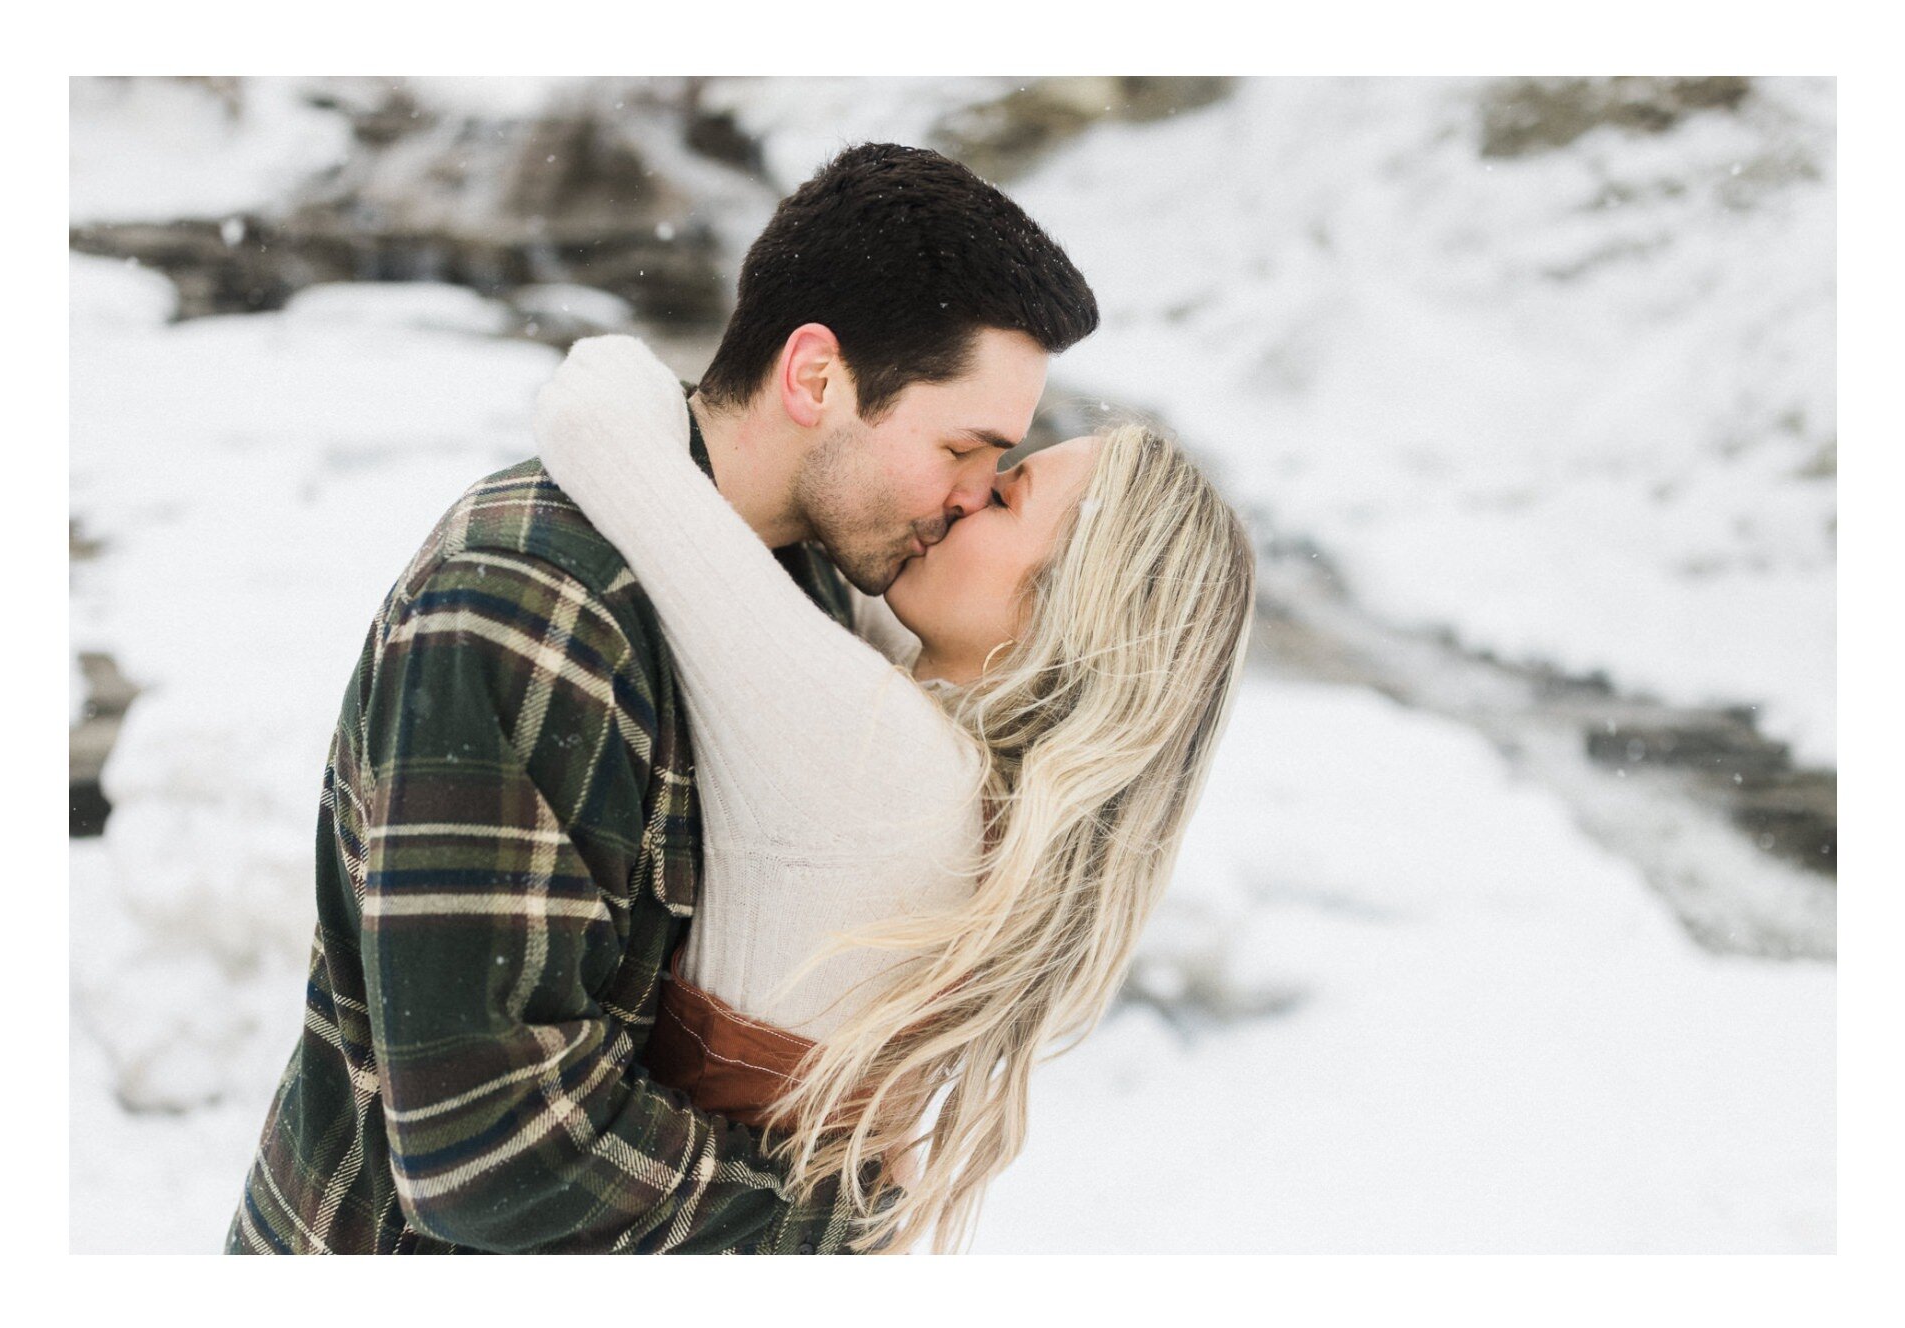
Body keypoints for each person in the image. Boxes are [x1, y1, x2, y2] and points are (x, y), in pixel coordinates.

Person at [225, 142, 1099, 1255]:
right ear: (816, 377)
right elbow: (488, 1151)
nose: (973, 499)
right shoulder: (523, 605)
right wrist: (836, 1213)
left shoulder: (814, 594)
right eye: (963, 448)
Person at [532, 333, 1255, 1255]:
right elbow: (849, 588)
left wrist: (731, 380)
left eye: (1003, 493)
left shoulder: (886, 767)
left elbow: (595, 419)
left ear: (1071, 603)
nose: (962, 495)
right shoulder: (985, 789)